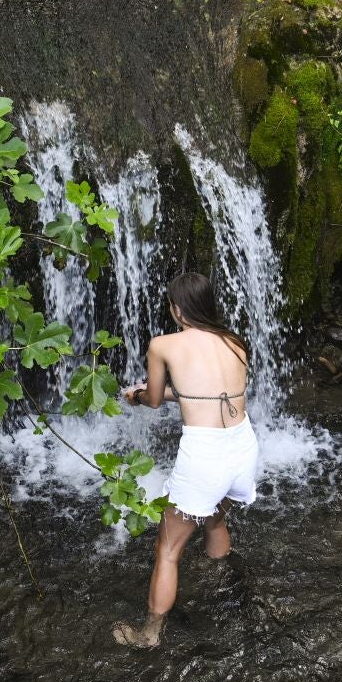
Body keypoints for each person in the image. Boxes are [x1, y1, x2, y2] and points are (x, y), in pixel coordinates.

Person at [112, 272, 258, 648]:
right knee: (215, 516)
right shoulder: (235, 342)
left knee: (168, 549)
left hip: (205, 453)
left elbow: (156, 400)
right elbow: (212, 393)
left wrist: (137, 395)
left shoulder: (163, 345)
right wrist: (165, 393)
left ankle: (149, 635)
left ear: (177, 309)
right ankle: (220, 577)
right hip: (242, 446)